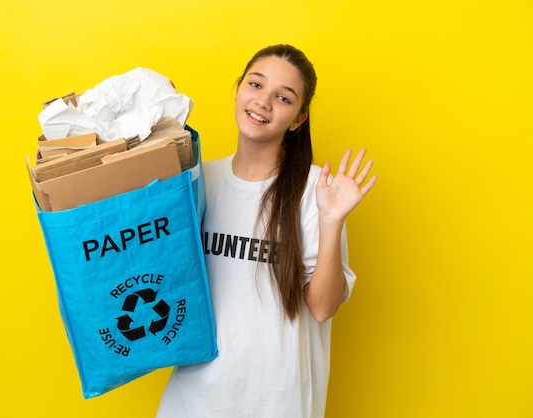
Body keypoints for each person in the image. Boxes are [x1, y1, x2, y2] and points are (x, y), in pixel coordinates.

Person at [156, 44, 377, 418]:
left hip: (279, 401)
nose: (263, 102)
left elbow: (322, 308)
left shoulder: (316, 192)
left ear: (298, 119)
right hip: (194, 399)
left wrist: (331, 221)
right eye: (256, 85)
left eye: (284, 97)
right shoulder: (197, 182)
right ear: (238, 87)